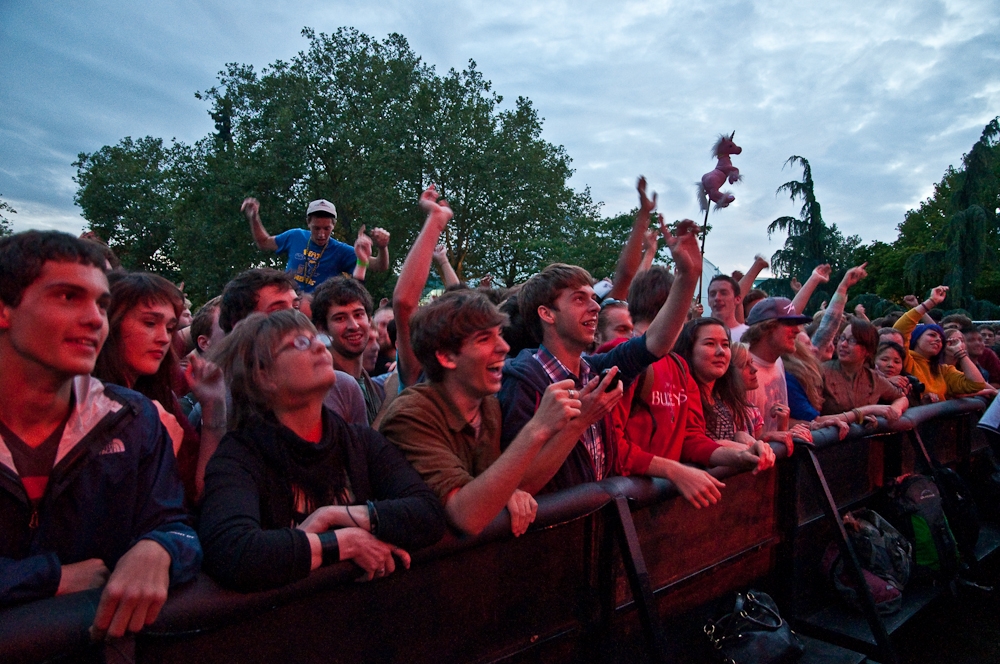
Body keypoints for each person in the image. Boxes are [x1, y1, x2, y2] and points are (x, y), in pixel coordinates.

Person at [0, 231, 201, 640]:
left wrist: (159, 547)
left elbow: (177, 524)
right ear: (4, 308)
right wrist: (49, 577)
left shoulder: (132, 417)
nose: (95, 319)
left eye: (102, 304)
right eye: (68, 297)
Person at [199, 310, 445, 591]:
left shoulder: (360, 442)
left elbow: (428, 513)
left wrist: (331, 515)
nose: (320, 346)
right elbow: (233, 551)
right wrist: (344, 543)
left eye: (316, 338)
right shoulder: (239, 456)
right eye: (300, 343)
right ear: (263, 375)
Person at [499, 217, 703, 494]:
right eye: (579, 299)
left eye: (593, 297)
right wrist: (581, 420)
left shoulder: (598, 371)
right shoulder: (522, 382)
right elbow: (518, 484)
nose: (595, 306)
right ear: (547, 313)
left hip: (595, 525)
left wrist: (687, 277)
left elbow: (655, 342)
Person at [379, 290, 580, 536]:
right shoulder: (410, 416)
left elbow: (498, 485)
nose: (504, 347)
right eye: (485, 339)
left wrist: (579, 422)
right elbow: (466, 517)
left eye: (500, 335)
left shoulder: (488, 406)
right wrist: (538, 428)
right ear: (446, 356)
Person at [93, 272, 227, 505]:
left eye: (169, 327)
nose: (164, 338)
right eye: (150, 323)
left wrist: (213, 408)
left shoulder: (164, 398)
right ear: (110, 323)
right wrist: (155, 454)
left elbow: (200, 493)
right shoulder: (80, 402)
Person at [217, 268, 367, 426]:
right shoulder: (218, 405)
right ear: (240, 327)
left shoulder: (342, 388)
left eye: (295, 308)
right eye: (278, 311)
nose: (295, 318)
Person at [241, 197, 390, 293]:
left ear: (334, 225)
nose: (321, 234)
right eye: (316, 228)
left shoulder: (340, 250)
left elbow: (379, 266)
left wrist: (382, 247)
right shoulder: (295, 236)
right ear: (308, 223)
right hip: (289, 303)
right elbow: (264, 242)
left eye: (327, 229)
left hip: (317, 310)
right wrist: (254, 218)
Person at [893, 286, 987, 401]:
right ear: (916, 338)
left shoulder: (944, 370)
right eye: (932, 335)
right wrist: (930, 302)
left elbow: (976, 384)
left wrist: (960, 353)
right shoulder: (907, 360)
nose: (938, 339)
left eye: (941, 338)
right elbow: (900, 330)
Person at [311, 276, 384, 424]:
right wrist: (389, 403)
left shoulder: (367, 381)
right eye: (340, 318)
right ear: (322, 328)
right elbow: (357, 446)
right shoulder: (326, 387)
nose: (354, 326)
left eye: (358, 315)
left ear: (369, 320)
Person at [741, 297, 813, 434]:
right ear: (766, 328)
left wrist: (816, 425)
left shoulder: (778, 361)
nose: (797, 331)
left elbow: (773, 423)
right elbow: (742, 437)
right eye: (789, 323)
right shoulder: (743, 370)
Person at [819, 318, 908, 425]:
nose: (843, 344)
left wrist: (894, 410)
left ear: (868, 349)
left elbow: (901, 397)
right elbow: (812, 421)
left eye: (852, 340)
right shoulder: (820, 372)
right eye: (842, 338)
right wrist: (865, 411)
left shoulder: (873, 378)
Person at [707, 275, 747, 341]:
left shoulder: (749, 335)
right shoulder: (698, 334)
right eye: (713, 294)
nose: (717, 298)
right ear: (708, 301)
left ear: (737, 299)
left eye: (723, 293)